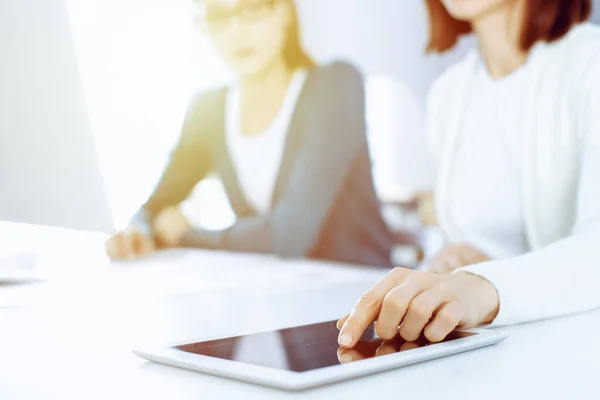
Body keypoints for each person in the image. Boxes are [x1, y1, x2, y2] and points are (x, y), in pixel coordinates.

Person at [337, 0, 600, 352]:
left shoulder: (589, 64)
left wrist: (481, 284)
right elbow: (464, 242)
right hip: (491, 351)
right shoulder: (449, 93)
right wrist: (447, 264)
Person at [105, 0, 394, 267]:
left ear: (284, 12)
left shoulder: (334, 85)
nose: (237, 31)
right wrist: (138, 232)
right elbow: (157, 205)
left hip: (360, 303)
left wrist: (187, 235)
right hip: (271, 296)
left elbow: (290, 235)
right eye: (219, 17)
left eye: (252, 9)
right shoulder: (209, 110)